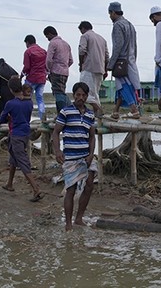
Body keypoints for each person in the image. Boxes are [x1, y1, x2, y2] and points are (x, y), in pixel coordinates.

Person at [52, 82, 97, 231]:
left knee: (89, 185)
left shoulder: (90, 114)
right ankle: (68, 224)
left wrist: (91, 154)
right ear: (73, 95)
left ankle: (79, 218)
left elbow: (92, 137)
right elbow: (56, 132)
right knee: (70, 190)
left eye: (84, 95)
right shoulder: (66, 112)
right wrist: (58, 151)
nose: (81, 98)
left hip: (86, 156)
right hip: (70, 157)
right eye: (78, 95)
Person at [0, 77, 43, 202]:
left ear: (11, 90)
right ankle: (9, 184)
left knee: (22, 161)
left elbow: (2, 119)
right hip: (24, 134)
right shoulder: (28, 103)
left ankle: (36, 189)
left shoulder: (10, 104)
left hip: (16, 134)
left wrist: (8, 117)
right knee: (13, 159)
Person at [107, 1, 141, 119]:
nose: (110, 16)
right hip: (131, 59)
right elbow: (135, 45)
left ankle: (134, 110)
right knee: (122, 86)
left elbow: (118, 45)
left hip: (121, 61)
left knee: (123, 86)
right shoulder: (130, 24)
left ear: (113, 12)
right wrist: (133, 59)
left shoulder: (118, 25)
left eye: (110, 14)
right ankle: (115, 111)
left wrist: (111, 64)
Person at [78, 21, 109, 116]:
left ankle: (99, 110)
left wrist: (81, 64)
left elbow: (82, 50)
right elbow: (107, 56)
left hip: (89, 67)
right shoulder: (102, 39)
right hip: (100, 69)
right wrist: (105, 70)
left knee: (84, 93)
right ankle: (98, 116)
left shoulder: (85, 36)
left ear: (83, 28)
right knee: (95, 94)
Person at [44, 26, 73, 114]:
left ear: (50, 34)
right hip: (65, 72)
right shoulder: (66, 44)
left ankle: (62, 113)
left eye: (47, 36)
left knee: (58, 94)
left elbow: (48, 60)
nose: (47, 39)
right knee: (61, 92)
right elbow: (71, 60)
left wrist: (48, 70)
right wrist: (64, 67)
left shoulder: (53, 43)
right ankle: (69, 110)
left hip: (56, 71)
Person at [22, 34, 47, 120]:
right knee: (40, 99)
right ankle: (42, 118)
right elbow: (47, 65)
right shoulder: (43, 51)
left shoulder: (28, 52)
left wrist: (21, 75)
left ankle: (26, 118)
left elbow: (27, 67)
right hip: (42, 78)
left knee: (26, 98)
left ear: (27, 42)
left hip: (32, 78)